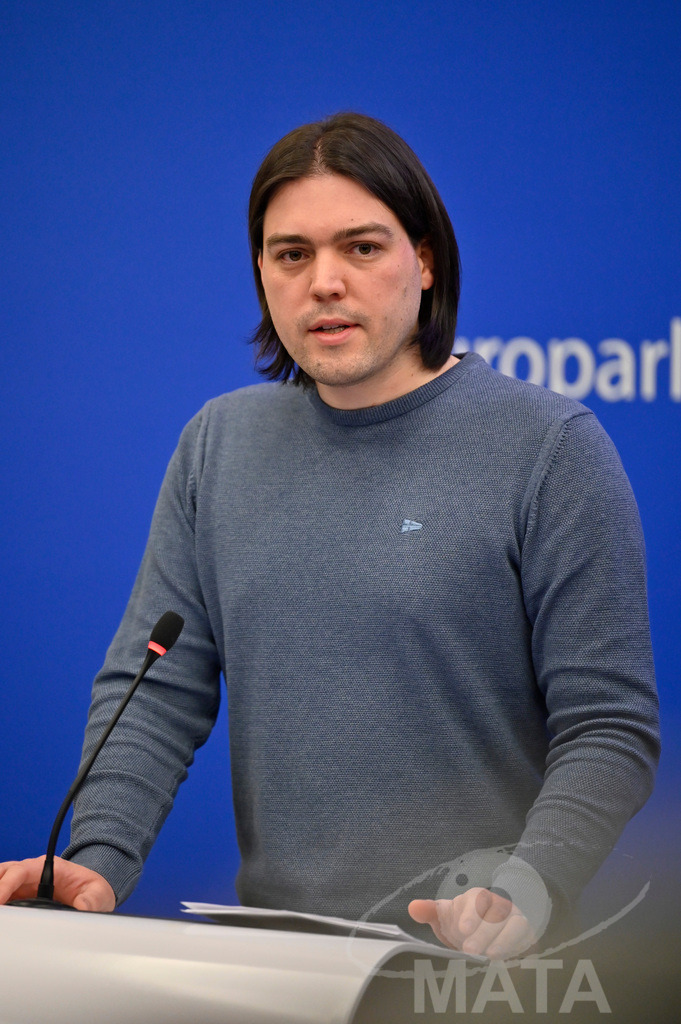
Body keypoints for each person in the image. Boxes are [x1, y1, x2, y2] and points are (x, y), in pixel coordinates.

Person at [0, 112, 660, 959]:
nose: (323, 284)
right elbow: (153, 693)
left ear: (422, 260)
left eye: (361, 248)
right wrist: (95, 862)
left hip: (481, 970)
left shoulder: (547, 448)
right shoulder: (218, 443)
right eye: (291, 254)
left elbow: (607, 724)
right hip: (277, 959)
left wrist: (522, 887)